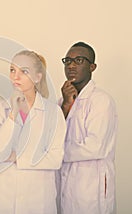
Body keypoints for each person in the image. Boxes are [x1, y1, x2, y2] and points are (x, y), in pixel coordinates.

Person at [0, 50, 66, 214]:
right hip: (4, 198)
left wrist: (17, 157)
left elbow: (55, 158)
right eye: (12, 70)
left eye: (24, 71)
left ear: (38, 77)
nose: (15, 77)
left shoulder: (53, 112)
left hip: (38, 199)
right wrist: (13, 115)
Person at [59, 42, 118, 214]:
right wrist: (65, 106)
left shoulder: (101, 100)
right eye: (67, 60)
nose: (71, 65)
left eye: (78, 60)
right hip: (66, 182)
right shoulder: (61, 101)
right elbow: (53, 135)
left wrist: (56, 152)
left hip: (91, 185)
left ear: (92, 67)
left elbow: (95, 147)